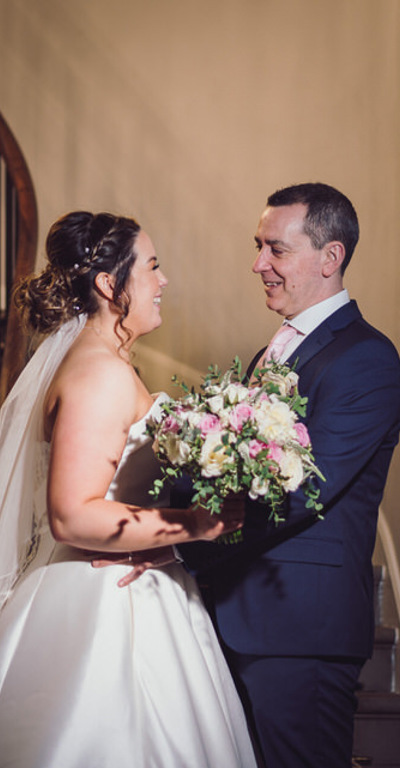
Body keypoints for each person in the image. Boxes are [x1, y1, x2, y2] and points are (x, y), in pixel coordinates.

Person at [0, 211, 258, 767]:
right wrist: (202, 523)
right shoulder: (100, 374)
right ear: (109, 284)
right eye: (151, 266)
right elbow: (72, 516)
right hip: (105, 602)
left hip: (132, 579)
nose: (163, 279)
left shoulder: (108, 363)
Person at [151, 183, 400, 768]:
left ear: (329, 257)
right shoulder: (273, 352)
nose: (258, 263)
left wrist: (180, 547)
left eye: (275, 249)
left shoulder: (366, 358)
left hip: (300, 628)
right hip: (240, 613)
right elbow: (230, 471)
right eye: (258, 246)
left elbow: (305, 489)